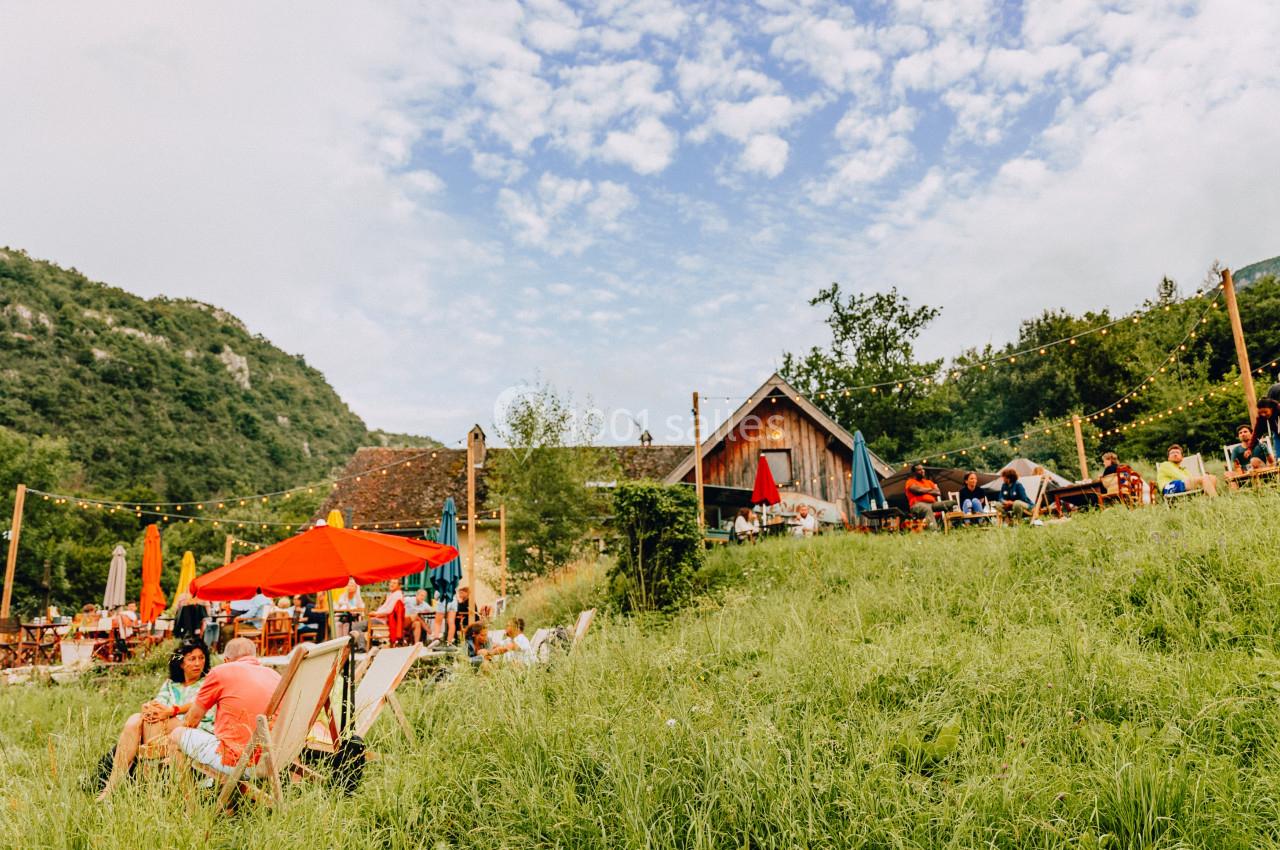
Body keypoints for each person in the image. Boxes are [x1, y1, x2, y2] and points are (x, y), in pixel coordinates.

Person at [97, 639, 215, 800]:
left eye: (201, 658)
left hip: (194, 729)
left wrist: (170, 711)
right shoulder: (171, 684)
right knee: (135, 720)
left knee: (157, 720)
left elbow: (199, 706)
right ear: (181, 663)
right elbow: (159, 704)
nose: (197, 663)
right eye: (192, 658)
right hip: (164, 730)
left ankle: (147, 782)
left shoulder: (208, 681)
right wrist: (149, 708)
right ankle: (111, 787)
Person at [168, 637, 282, 777]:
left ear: (226, 660)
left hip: (241, 763)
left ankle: (186, 797)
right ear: (254, 656)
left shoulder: (221, 671)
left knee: (177, 734)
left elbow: (191, 721)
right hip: (275, 759)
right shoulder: (274, 675)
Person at [905, 464, 954, 529]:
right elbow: (916, 490)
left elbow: (938, 492)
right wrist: (931, 490)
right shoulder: (910, 481)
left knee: (951, 503)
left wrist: (922, 490)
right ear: (914, 473)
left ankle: (951, 527)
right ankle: (934, 531)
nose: (922, 471)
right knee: (927, 508)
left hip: (932, 504)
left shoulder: (929, 482)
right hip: (917, 505)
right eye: (919, 470)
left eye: (923, 469)